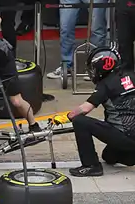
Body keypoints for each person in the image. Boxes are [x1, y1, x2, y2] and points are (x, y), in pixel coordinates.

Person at [51, 48, 135, 176]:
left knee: (80, 121)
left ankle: (91, 166)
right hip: (129, 137)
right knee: (108, 156)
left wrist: (67, 116)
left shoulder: (105, 84)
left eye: (93, 68)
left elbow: (85, 109)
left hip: (124, 136)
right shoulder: (131, 75)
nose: (92, 72)